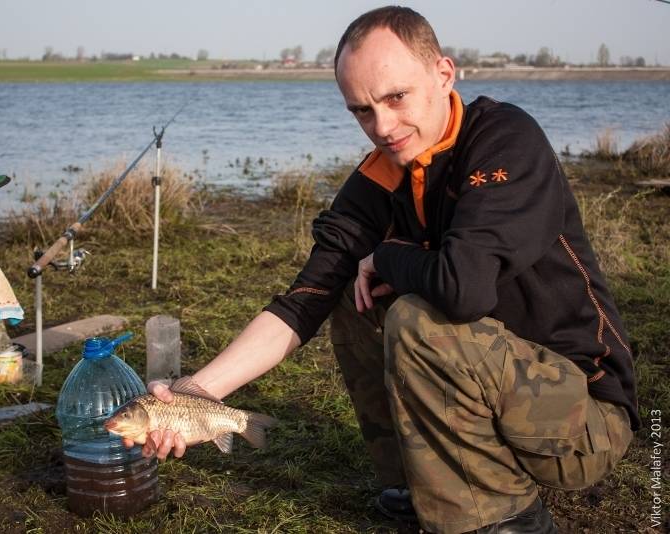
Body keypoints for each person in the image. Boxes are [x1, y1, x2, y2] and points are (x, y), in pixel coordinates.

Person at [123, 6, 638, 533]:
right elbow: (305, 298)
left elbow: (464, 290)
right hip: (495, 389)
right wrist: (196, 393)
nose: (383, 127)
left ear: (443, 74)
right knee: (352, 290)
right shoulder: (382, 175)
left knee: (419, 316)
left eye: (396, 97)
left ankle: (505, 517)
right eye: (362, 111)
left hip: (581, 419)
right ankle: (420, 482)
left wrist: (385, 256)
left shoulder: (505, 141)